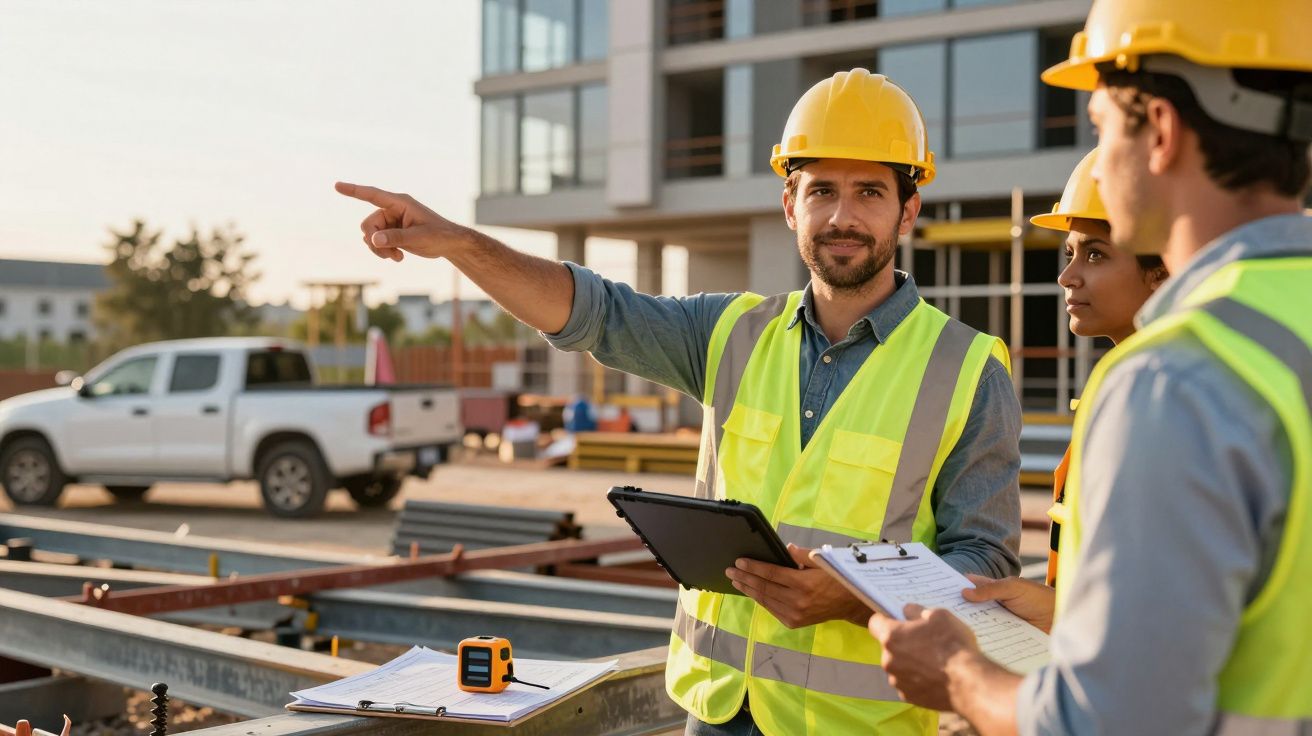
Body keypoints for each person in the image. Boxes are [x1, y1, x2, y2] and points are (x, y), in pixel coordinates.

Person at [338, 68, 1023, 736]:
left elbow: (985, 567)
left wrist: (855, 598)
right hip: (715, 712)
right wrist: (460, 244)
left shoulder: (967, 370)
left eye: (869, 191)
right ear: (791, 206)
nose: (843, 216)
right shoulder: (730, 333)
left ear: (908, 210)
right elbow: (593, 312)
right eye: (822, 191)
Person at [867, 1, 1312, 734]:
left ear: (1160, 130)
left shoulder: (1173, 379)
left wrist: (957, 675)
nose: (1098, 165)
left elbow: (1104, 722)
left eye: (1101, 129)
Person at [1029, 149, 1167, 585]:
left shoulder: (1168, 398)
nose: (1066, 276)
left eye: (1095, 255)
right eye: (1070, 253)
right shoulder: (1125, 381)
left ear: (1160, 271)